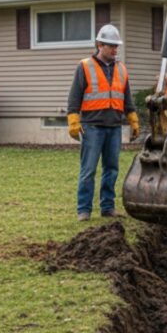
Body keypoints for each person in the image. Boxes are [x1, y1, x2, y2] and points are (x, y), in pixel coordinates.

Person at [66, 24, 140, 221]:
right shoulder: (84, 66)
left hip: (114, 127)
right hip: (92, 127)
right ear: (99, 44)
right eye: (110, 46)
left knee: (112, 169)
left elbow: (127, 98)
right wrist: (73, 120)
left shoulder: (122, 69)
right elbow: (74, 97)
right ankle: (84, 210)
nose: (114, 50)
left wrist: (132, 120)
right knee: (88, 170)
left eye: (116, 46)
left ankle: (107, 207)